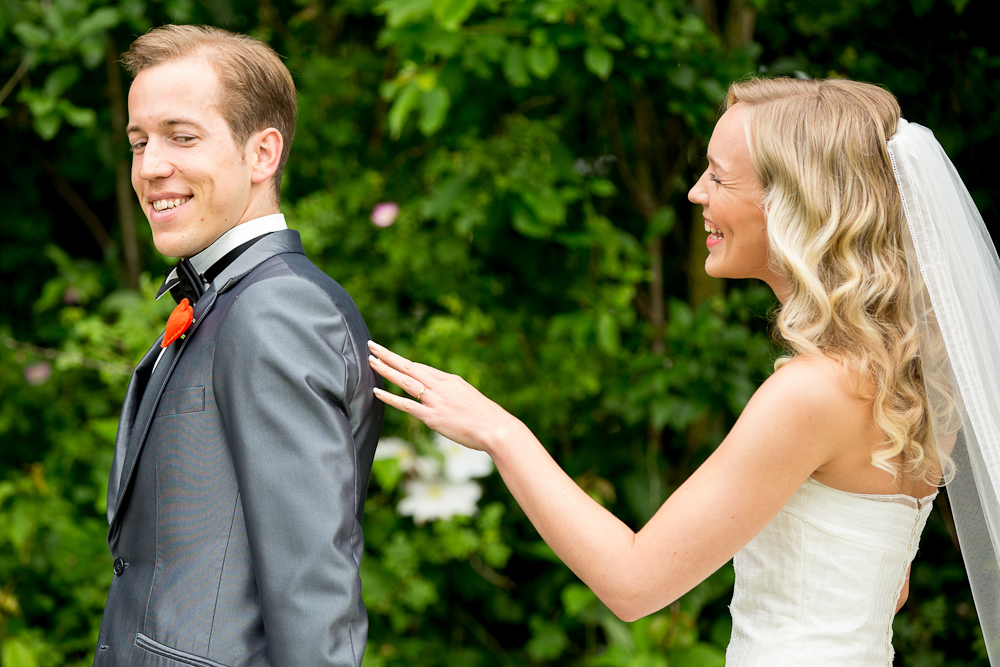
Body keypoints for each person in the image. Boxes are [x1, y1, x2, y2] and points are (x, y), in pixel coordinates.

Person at [368, 77, 1000, 664]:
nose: (696, 192)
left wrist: (499, 432)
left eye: (720, 179)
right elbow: (884, 590)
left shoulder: (812, 390)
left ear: (795, 204)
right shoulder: (911, 378)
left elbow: (633, 582)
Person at [96, 25, 382, 666]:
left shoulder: (278, 309)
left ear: (263, 154)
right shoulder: (228, 298)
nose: (150, 167)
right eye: (139, 143)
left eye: (182, 136)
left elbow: (313, 585)